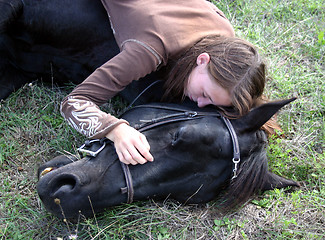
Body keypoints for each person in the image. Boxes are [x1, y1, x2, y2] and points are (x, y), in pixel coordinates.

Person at [60, 0, 270, 166]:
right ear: (203, 59)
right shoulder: (149, 50)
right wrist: (115, 130)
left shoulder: (225, 34)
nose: (200, 104)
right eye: (205, 94)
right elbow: (75, 102)